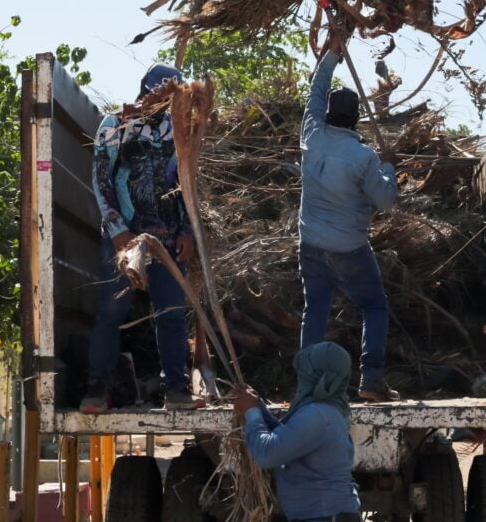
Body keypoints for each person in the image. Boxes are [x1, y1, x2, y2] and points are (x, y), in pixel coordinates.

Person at [81, 62, 201, 413]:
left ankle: (176, 390)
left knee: (171, 314)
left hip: (168, 239)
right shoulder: (114, 124)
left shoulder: (180, 129)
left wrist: (188, 230)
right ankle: (97, 388)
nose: (166, 102)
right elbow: (101, 178)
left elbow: (189, 183)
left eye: (174, 97)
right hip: (126, 237)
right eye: (162, 94)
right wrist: (118, 229)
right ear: (147, 90)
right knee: (111, 311)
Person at [298, 39, 399, 402]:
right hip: (349, 249)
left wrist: (332, 56)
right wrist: (389, 165)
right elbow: (385, 201)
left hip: (310, 245)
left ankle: (307, 386)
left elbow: (316, 90)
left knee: (316, 311)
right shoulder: (363, 157)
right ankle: (371, 380)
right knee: (374, 306)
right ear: (355, 119)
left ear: (327, 114)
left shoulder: (310, 135)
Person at [232, 343, 361, 522]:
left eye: (304, 372)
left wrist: (252, 413)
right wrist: (259, 407)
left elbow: (267, 454)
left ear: (316, 375)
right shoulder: (328, 411)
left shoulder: (317, 415)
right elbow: (290, 439)